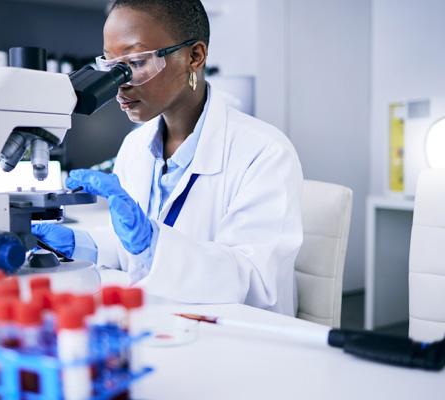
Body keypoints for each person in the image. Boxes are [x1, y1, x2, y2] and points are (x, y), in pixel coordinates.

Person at [33, 0, 303, 316]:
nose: (118, 84)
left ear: (194, 56)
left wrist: (153, 243)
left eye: (134, 62)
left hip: (239, 338)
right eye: (110, 65)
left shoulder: (264, 153)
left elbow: (255, 281)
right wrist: (79, 243)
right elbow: (133, 252)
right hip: (161, 324)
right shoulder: (135, 147)